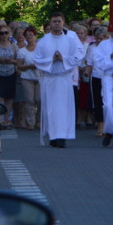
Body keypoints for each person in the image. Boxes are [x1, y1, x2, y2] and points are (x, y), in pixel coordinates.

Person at [33, 13, 84, 148]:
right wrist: (51, 59)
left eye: (58, 21)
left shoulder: (70, 40)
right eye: (54, 21)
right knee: (50, 108)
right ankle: (52, 135)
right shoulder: (43, 40)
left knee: (63, 109)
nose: (56, 24)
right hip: (49, 79)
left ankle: (61, 136)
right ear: (50, 23)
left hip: (63, 78)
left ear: (63, 23)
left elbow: (79, 55)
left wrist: (63, 59)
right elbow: (36, 58)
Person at [0, 23, 20, 129]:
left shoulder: (13, 46)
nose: (4, 35)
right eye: (2, 33)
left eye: (6, 33)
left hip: (10, 73)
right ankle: (0, 120)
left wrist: (12, 61)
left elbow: (19, 60)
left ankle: (7, 120)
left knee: (9, 98)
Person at [16, 26, 40, 130]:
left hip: (40, 77)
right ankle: (31, 122)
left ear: (35, 36)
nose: (30, 37)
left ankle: (39, 120)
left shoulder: (41, 49)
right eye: (27, 35)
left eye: (32, 34)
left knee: (40, 100)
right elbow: (19, 66)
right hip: (27, 78)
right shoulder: (22, 51)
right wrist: (29, 66)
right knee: (29, 100)